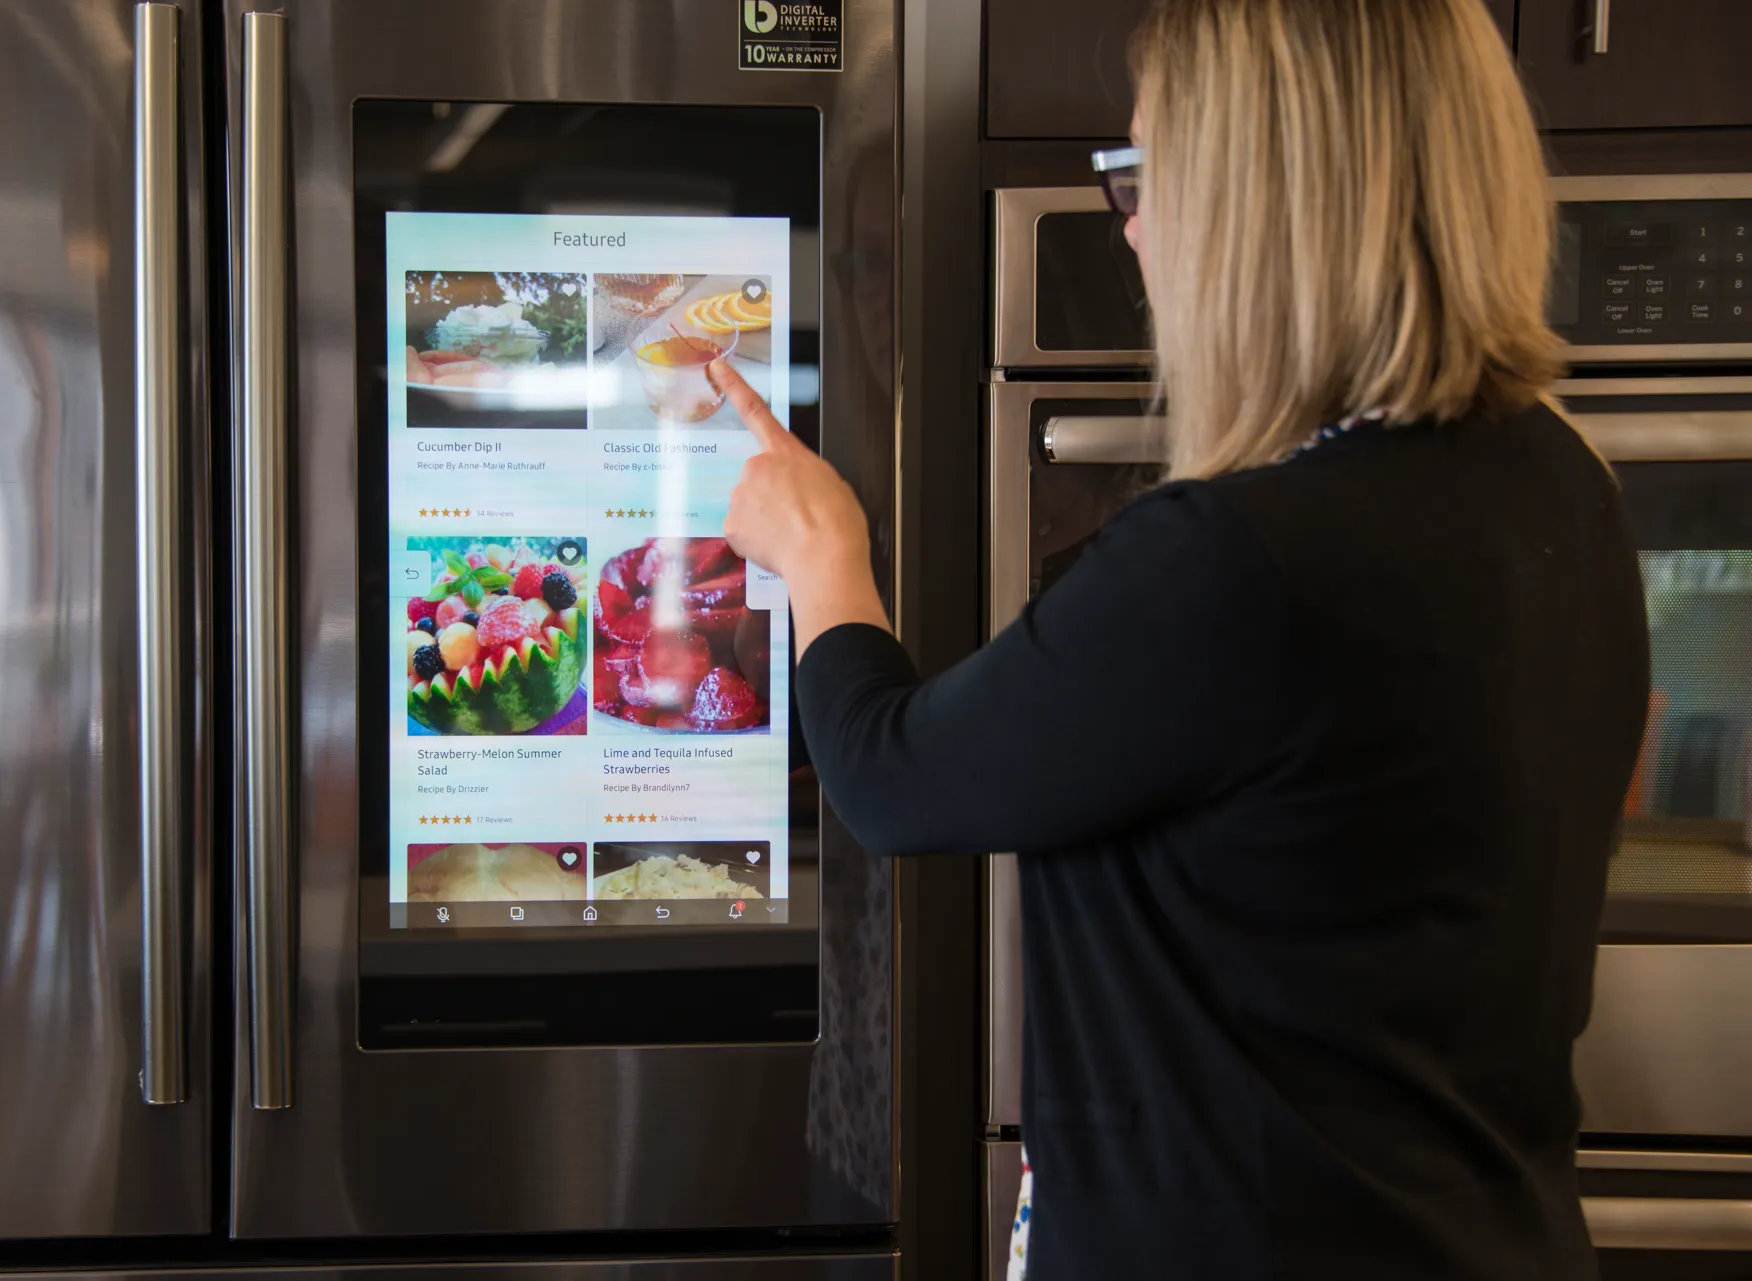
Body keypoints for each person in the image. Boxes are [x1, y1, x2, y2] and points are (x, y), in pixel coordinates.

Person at [706, 0, 1651, 1275]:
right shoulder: (1563, 486)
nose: (1132, 224)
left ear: (1269, 204)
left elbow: (891, 776)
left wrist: (822, 550)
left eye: (1147, 176)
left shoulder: (1241, 559)